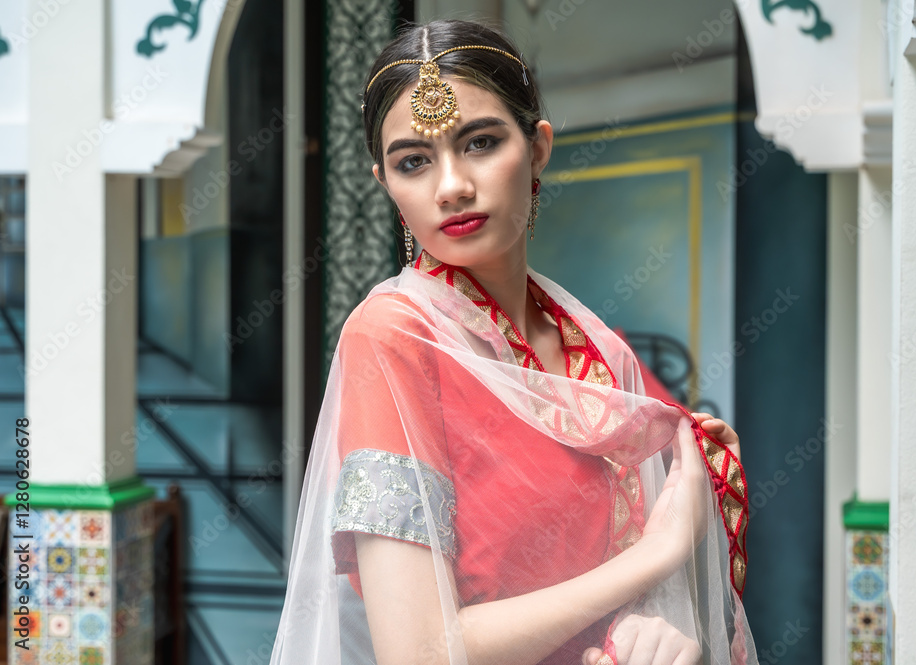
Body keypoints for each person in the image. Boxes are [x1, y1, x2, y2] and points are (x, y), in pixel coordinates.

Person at [269, 18, 755, 665]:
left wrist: (658, 623)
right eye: (413, 161)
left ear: (539, 147)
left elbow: (678, 516)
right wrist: (655, 558)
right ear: (385, 183)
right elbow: (420, 651)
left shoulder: (598, 351)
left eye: (480, 142)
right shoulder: (391, 339)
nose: (451, 187)